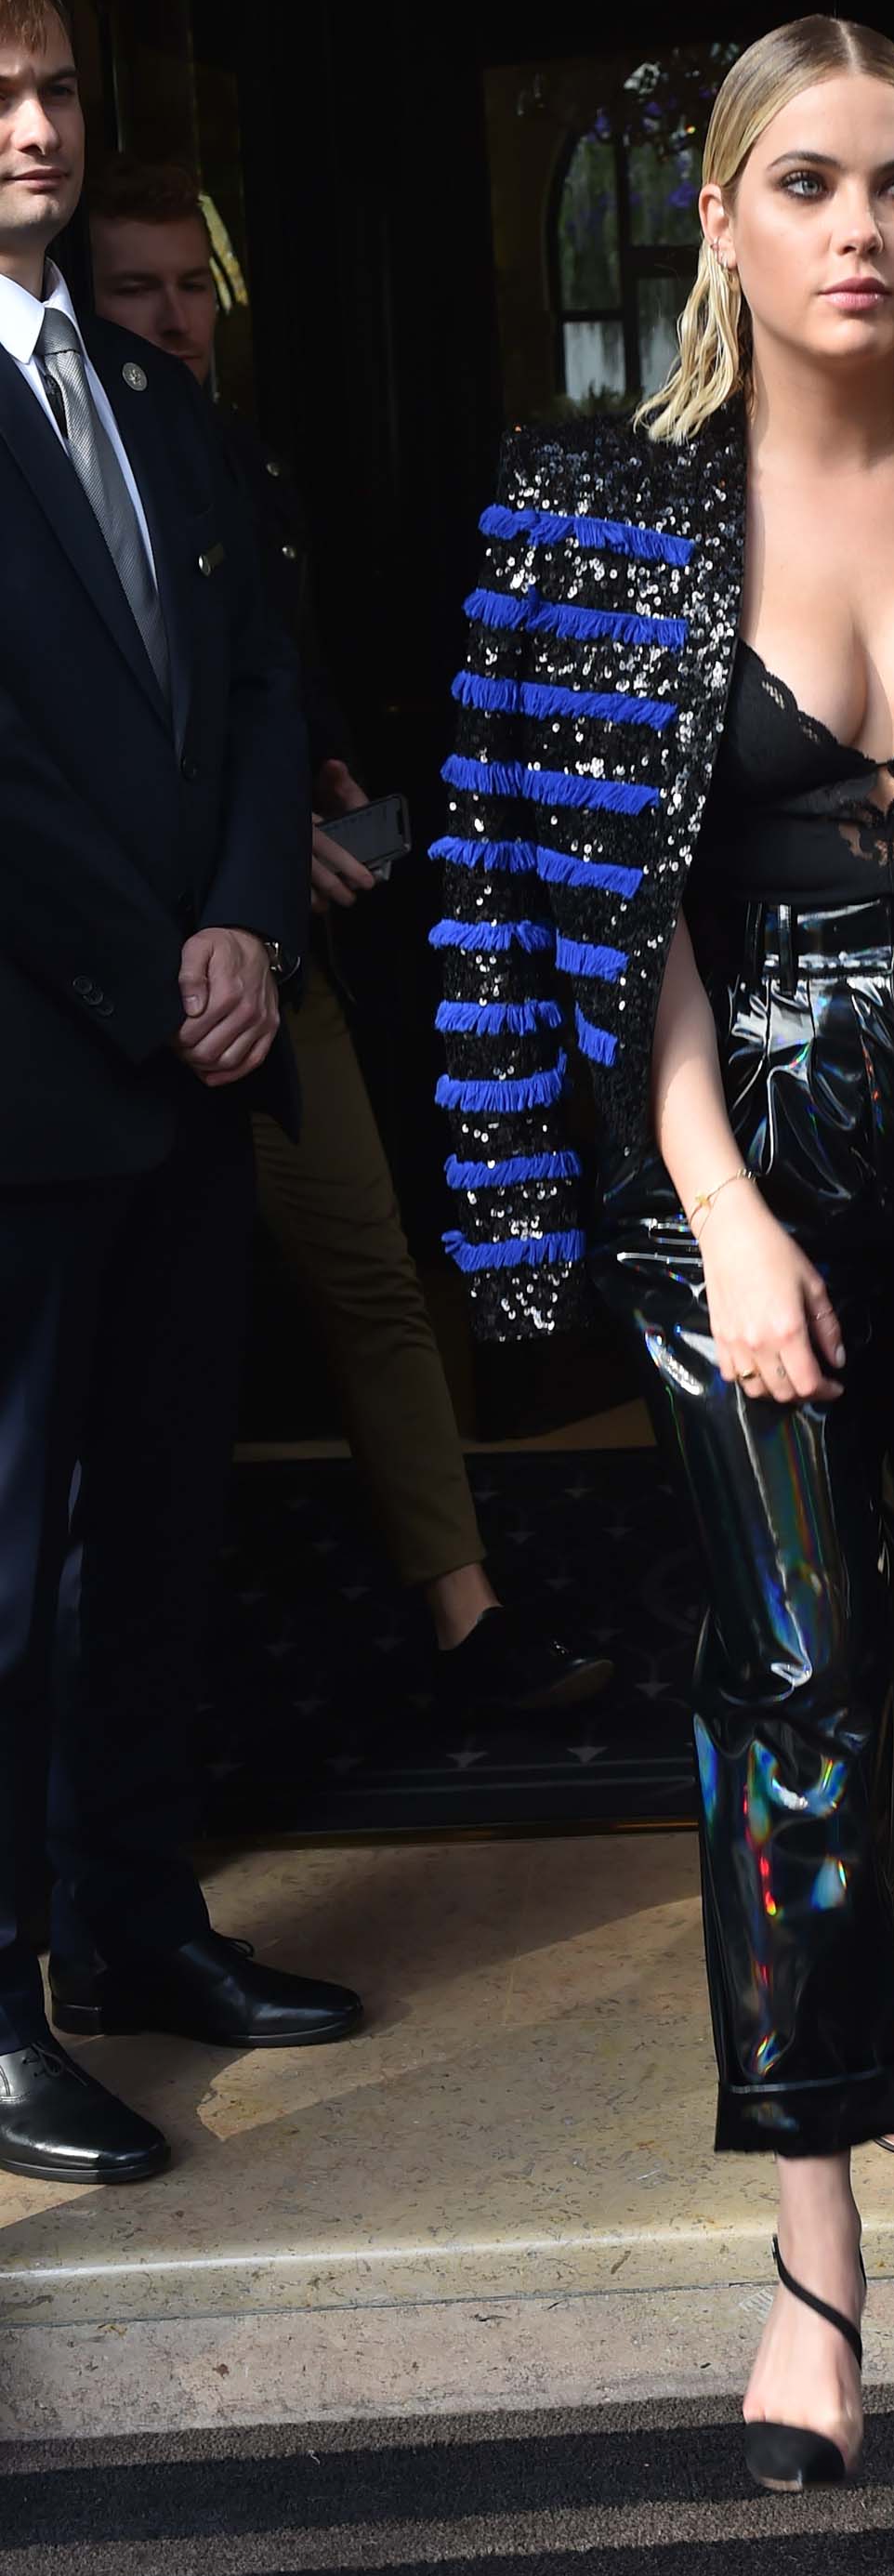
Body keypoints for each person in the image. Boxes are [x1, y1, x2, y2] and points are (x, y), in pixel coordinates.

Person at [434, 15, 894, 2491]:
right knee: (801, 1662)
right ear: (719, 225)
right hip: (721, 1134)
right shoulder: (596, 504)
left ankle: (882, 1981)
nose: (864, 231)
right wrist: (720, 1216)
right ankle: (814, 2270)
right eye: (811, 184)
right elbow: (562, 895)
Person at [85, 157, 611, 1721]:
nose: (174, 319)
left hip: (274, 950)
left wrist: (306, 804)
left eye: (193, 286)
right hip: (102, 984)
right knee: (130, 1348)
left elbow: (258, 696)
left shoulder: (234, 465)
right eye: (135, 288)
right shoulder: (63, 465)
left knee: (375, 1276)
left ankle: (465, 1617)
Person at [0, 0, 362, 2189]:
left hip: (187, 1064)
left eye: (44, 81)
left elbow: (249, 685)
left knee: (156, 1532)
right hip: (31, 1074)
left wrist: (241, 924)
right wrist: (162, 965)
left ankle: (135, 1930)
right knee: (2, 1565)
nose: (29, 123)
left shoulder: (149, 402)